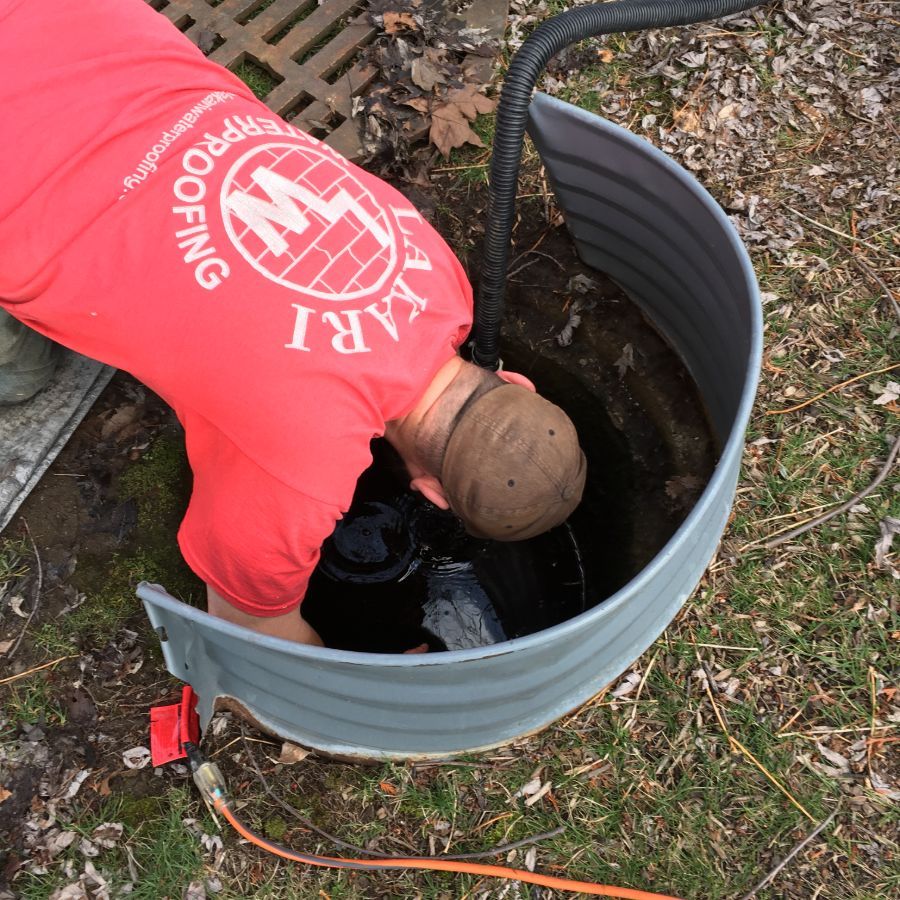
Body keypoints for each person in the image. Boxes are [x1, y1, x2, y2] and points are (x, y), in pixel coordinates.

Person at [0, 0, 586, 649]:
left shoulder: (436, 269)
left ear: (520, 383)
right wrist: (385, 676)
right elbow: (250, 635)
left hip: (81, 30)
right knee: (22, 372)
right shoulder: (297, 469)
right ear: (431, 494)